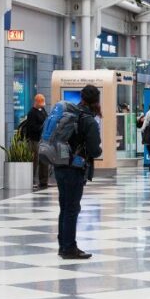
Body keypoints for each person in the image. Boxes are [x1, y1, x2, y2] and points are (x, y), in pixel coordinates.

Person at [52, 85, 102, 260]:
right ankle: (69, 248)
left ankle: (63, 245)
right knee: (72, 208)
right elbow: (95, 150)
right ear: (97, 101)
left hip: (59, 165)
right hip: (75, 168)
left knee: (65, 207)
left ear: (82, 97)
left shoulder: (70, 114)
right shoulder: (88, 120)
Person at [24, 94, 50, 190]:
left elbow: (46, 120)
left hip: (43, 140)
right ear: (36, 102)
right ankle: (32, 181)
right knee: (34, 161)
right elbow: (31, 127)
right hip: (34, 140)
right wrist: (42, 128)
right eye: (41, 102)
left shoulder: (42, 110)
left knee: (44, 160)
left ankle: (44, 181)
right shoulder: (32, 113)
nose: (43, 105)